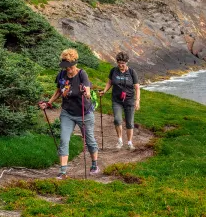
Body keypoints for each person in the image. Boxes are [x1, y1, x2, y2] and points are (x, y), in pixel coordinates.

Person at [40, 48, 100, 179]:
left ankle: (94, 164)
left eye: (69, 66)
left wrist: (86, 93)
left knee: (89, 140)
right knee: (64, 139)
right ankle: (63, 171)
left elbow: (88, 92)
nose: (68, 69)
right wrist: (48, 103)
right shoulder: (61, 75)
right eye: (65, 66)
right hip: (67, 112)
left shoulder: (82, 74)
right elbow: (58, 92)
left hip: (84, 112)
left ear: (74, 63)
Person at [100, 52, 140, 151]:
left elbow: (137, 87)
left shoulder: (132, 72)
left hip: (129, 100)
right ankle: (120, 141)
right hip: (116, 99)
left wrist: (137, 100)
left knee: (129, 122)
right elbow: (110, 82)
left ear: (127, 62)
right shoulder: (113, 71)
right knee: (117, 120)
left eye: (123, 63)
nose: (120, 65)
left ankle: (130, 143)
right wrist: (104, 91)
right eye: (119, 63)